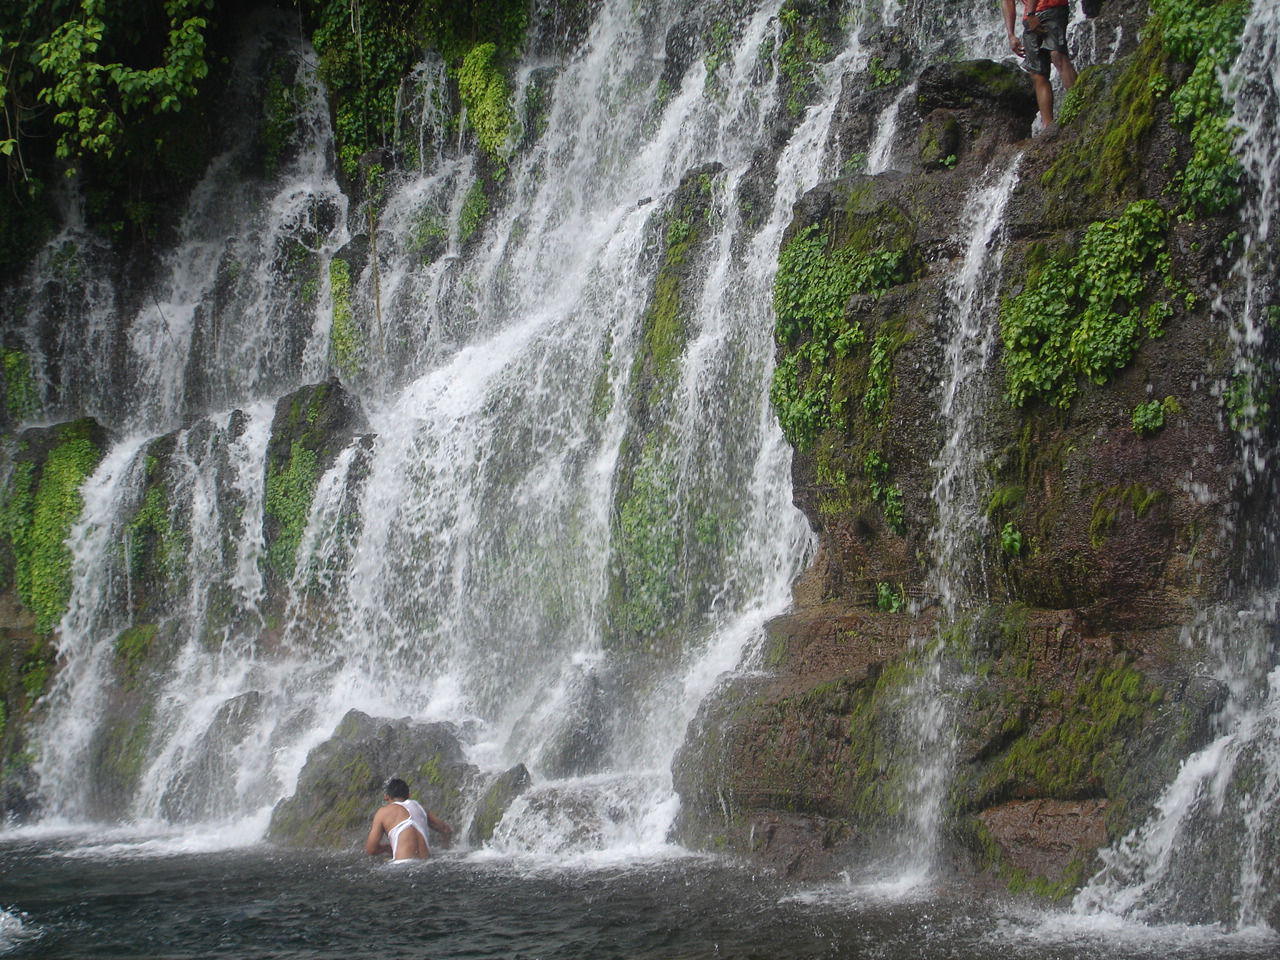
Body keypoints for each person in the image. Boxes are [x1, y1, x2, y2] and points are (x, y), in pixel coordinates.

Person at [1004, 0, 1078, 130]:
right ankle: (1048, 126)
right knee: (1037, 73)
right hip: (1030, 17)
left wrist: (1032, 13)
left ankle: (1078, 106)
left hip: (1053, 7)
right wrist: (1011, 35)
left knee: (1057, 55)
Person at [365, 778, 453, 860]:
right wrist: (444, 849)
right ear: (409, 795)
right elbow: (446, 830)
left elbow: (371, 849)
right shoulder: (421, 808)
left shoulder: (383, 812)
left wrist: (388, 848)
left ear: (386, 797)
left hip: (402, 867)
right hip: (426, 863)